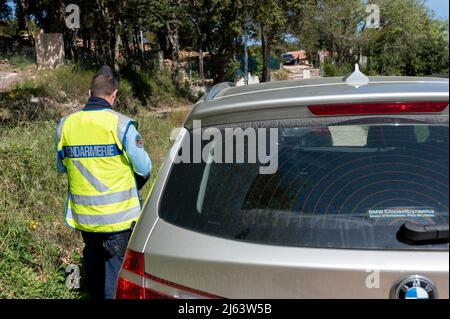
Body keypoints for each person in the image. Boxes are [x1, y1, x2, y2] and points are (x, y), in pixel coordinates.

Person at [55, 66, 151, 299]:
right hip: (117, 219)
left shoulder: (65, 125)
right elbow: (145, 168)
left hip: (85, 217)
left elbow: (61, 167)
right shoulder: (121, 125)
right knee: (115, 275)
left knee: (93, 264)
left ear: (90, 93)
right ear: (114, 94)